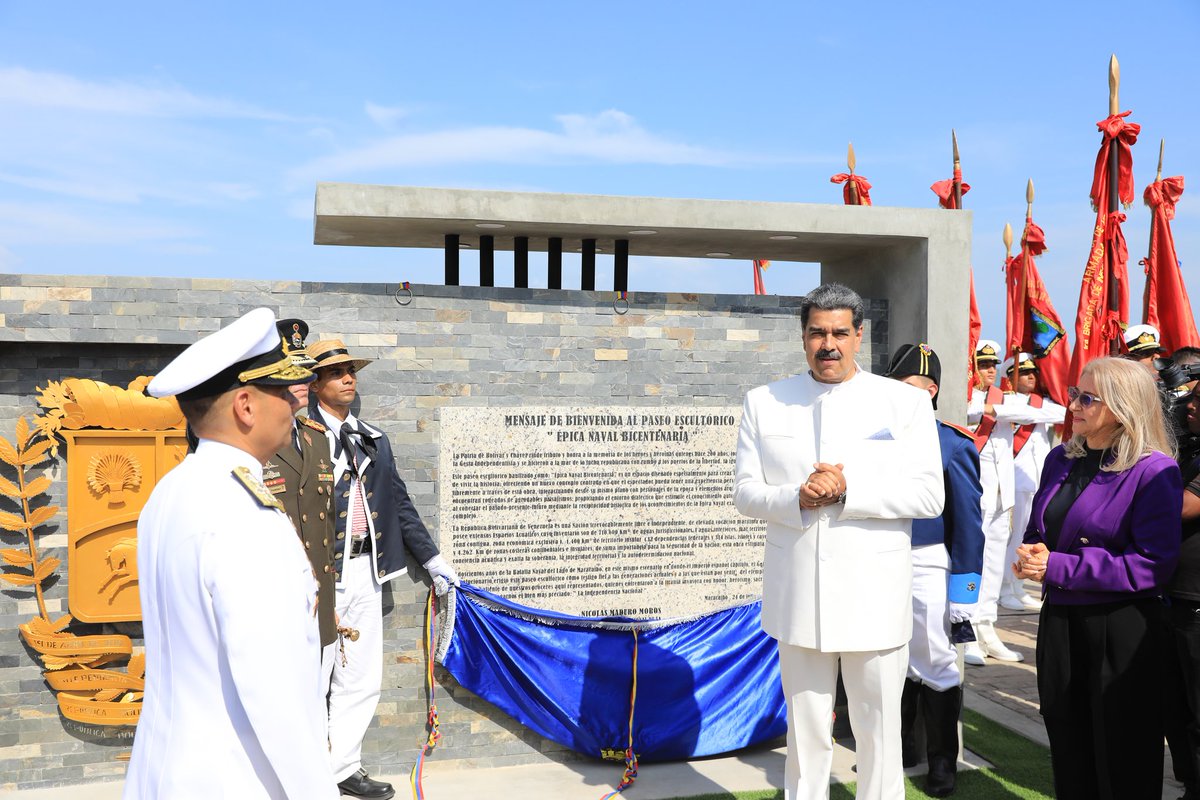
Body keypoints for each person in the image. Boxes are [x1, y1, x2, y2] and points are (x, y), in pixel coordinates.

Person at [733, 283, 944, 800]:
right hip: (798, 592)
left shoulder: (903, 403)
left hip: (875, 591)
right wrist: (798, 496)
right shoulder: (765, 402)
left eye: (839, 333)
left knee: (878, 730)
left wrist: (848, 489)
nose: (828, 344)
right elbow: (745, 492)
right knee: (805, 735)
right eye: (817, 333)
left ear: (858, 336)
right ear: (802, 337)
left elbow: (928, 495)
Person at [126, 308, 338, 800]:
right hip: (236, 776)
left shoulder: (173, 490)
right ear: (245, 405)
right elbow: (275, 687)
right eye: (284, 391)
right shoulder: (245, 513)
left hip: (163, 772)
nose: (293, 404)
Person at [1014, 356, 1181, 800]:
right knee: (1069, 749)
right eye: (1074, 394)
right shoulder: (1060, 459)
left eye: (1088, 398)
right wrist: (1033, 554)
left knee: (1122, 758)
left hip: (1121, 628)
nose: (1074, 406)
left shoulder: (1154, 470)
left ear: (1124, 406)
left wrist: (1058, 566)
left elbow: (1151, 566)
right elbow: (1042, 528)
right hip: (1060, 622)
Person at [306, 338, 460, 800]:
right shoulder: (300, 437)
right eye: (336, 372)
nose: (348, 378)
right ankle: (307, 769)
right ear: (314, 384)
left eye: (351, 370)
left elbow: (399, 504)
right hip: (320, 574)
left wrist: (432, 561)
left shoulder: (373, 437)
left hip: (367, 569)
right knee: (314, 675)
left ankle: (342, 768)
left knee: (362, 678)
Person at [886, 343, 984, 798]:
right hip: (879, 558)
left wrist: (964, 591)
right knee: (893, 658)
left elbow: (968, 522)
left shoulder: (952, 442)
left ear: (932, 392)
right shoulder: (873, 437)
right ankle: (902, 748)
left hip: (927, 561)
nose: (906, 396)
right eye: (898, 387)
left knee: (938, 661)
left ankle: (942, 760)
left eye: (915, 388)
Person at [965, 339, 1050, 665]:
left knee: (994, 559)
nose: (989, 370)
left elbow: (1039, 411)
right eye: (983, 364)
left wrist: (994, 408)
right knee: (973, 562)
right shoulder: (969, 397)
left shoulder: (1002, 399)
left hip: (1002, 493)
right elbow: (971, 410)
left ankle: (986, 626)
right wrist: (989, 407)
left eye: (993, 365)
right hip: (976, 492)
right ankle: (968, 627)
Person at [269, 318, 338, 659]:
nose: (302, 381)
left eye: (307, 372)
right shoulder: (257, 442)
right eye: (291, 372)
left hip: (318, 597)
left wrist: (331, 602)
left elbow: (327, 523)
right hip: (276, 598)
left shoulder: (317, 438)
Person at [998, 352, 1065, 612]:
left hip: (1034, 482)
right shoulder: (1008, 401)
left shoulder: (1040, 404)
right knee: (1007, 537)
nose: (1030, 376)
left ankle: (1016, 587)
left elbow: (1061, 414)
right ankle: (1005, 588)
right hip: (1012, 480)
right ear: (1010, 377)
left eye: (1033, 372)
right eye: (1023, 372)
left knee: (1025, 538)